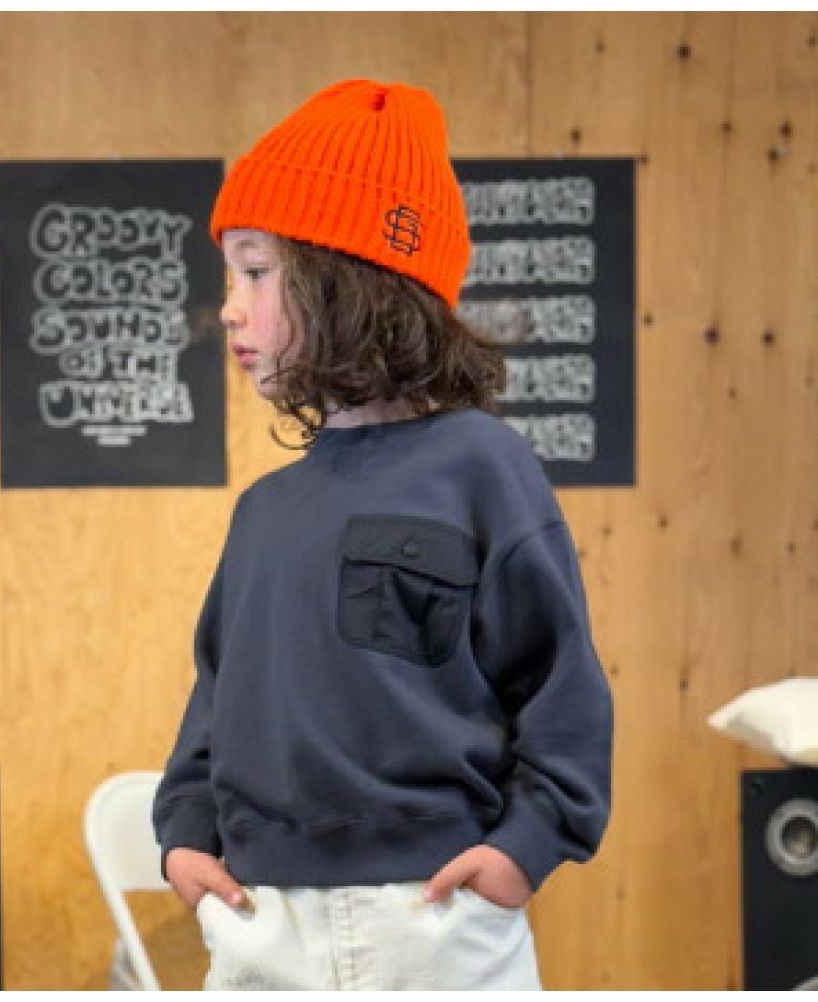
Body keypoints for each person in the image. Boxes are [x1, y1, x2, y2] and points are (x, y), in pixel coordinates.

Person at [152, 78, 613, 991]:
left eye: (256, 271)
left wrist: (524, 848)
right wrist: (184, 836)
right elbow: (217, 697)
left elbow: (560, 682)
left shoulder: (482, 467)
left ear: (350, 279)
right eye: (230, 277)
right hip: (258, 924)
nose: (230, 307)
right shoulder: (263, 511)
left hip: (434, 921)